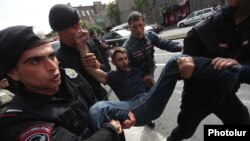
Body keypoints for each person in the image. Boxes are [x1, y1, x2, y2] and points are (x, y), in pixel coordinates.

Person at [73, 30, 241, 132]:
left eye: (125, 58)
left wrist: (150, 84)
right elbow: (91, 70)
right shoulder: (113, 77)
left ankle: (236, 73)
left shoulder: (138, 71)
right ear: (114, 63)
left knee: (176, 60)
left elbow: (155, 89)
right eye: (120, 60)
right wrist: (82, 45)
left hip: (151, 102)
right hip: (132, 109)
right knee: (97, 108)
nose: (124, 62)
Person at [0, 25, 135, 141]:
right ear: (13, 73)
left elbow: (98, 107)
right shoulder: (19, 121)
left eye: (51, 56)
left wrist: (119, 121)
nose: (52, 66)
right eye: (35, 61)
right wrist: (111, 129)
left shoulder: (71, 77)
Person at [168, 0, 250, 140]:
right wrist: (186, 72)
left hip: (225, 94)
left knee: (242, 121)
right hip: (198, 97)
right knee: (185, 131)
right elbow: (182, 67)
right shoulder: (202, 30)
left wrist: (239, 63)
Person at [49, 4, 108, 101]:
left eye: (80, 25)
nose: (80, 30)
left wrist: (97, 64)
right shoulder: (59, 60)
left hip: (103, 97)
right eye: (74, 27)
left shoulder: (89, 44)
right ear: (60, 32)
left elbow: (107, 69)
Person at [123, 11, 182, 90]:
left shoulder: (150, 36)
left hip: (151, 75)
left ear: (144, 24)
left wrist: (183, 47)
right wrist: (140, 80)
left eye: (140, 25)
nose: (138, 29)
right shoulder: (126, 48)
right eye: (134, 27)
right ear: (129, 28)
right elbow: (125, 71)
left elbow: (165, 44)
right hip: (138, 83)